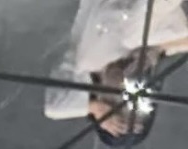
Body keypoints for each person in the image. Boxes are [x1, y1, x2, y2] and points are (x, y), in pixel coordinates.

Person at [46, 0, 188, 138]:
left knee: (133, 36)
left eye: (115, 100)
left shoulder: (85, 62)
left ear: (100, 98)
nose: (124, 86)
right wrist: (152, 54)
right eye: (131, 93)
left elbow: (53, 108)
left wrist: (95, 109)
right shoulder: (143, 54)